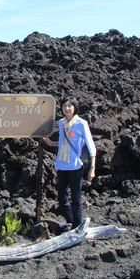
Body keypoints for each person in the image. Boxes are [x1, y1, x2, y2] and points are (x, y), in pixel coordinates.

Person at [42, 97, 96, 229]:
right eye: (64, 106)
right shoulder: (61, 122)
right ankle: (71, 221)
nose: (67, 108)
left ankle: (77, 228)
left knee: (76, 199)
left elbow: (91, 146)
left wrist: (92, 168)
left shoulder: (81, 123)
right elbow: (63, 142)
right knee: (61, 197)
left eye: (69, 106)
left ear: (75, 107)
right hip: (62, 164)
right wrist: (51, 143)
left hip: (75, 166)